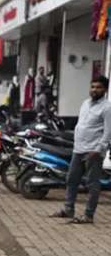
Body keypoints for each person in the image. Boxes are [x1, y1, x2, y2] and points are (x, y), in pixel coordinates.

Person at [50, 75, 111, 225]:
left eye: (98, 87)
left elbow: (108, 131)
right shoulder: (85, 103)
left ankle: (88, 215)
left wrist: (98, 149)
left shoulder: (107, 108)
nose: (95, 90)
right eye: (93, 87)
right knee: (71, 179)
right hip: (78, 149)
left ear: (105, 89)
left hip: (93, 152)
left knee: (92, 183)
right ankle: (68, 209)